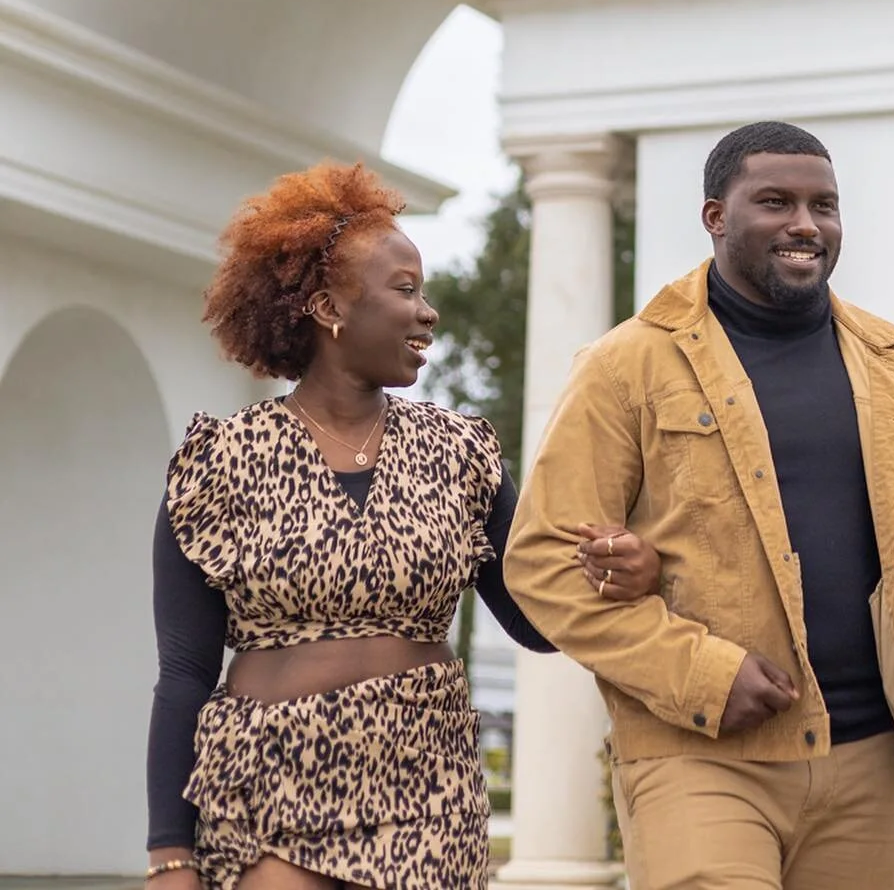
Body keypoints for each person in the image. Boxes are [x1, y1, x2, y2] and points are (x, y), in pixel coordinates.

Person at [505, 120, 894, 890]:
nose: (805, 224)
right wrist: (701, 672)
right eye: (775, 202)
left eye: (824, 205)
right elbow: (545, 563)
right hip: (698, 753)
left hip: (871, 758)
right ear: (716, 216)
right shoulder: (625, 366)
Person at [144, 162, 660, 890]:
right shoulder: (219, 460)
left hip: (425, 786)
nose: (428, 313)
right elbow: (185, 673)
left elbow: (534, 621)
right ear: (328, 307)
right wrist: (169, 853)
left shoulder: (463, 453)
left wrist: (614, 577)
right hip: (265, 782)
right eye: (406, 289)